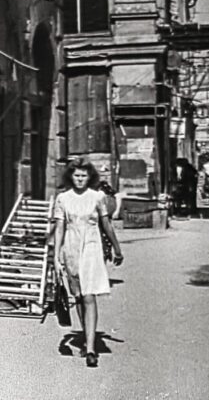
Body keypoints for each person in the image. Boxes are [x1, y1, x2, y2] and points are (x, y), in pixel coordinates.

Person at [54, 157, 124, 368]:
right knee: (77, 296)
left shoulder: (97, 197)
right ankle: (86, 336)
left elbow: (106, 224)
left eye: (84, 175)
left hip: (92, 248)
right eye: (76, 175)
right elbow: (59, 228)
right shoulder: (63, 199)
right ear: (70, 176)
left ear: (89, 177)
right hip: (71, 248)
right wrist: (56, 256)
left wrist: (117, 249)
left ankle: (92, 348)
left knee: (88, 295)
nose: (80, 179)